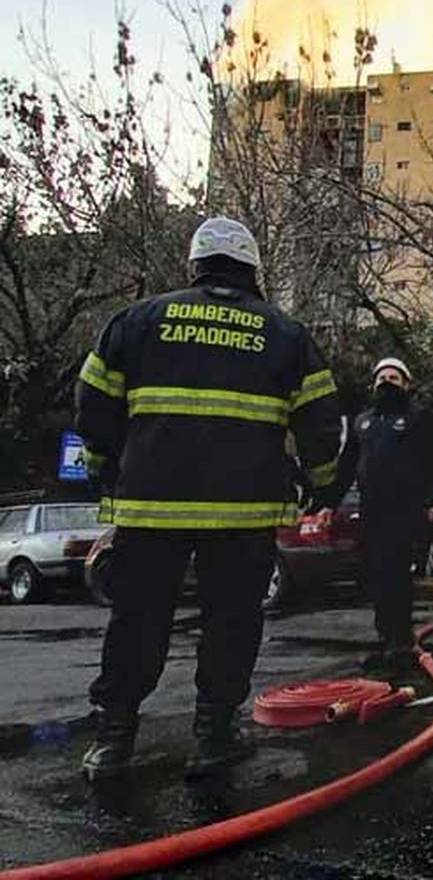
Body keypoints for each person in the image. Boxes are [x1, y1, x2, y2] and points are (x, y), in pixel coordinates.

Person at [74, 217, 343, 781]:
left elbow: (93, 403)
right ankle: (214, 737)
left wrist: (106, 467)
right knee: (231, 621)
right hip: (241, 513)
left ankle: (114, 740)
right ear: (252, 270)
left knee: (138, 619)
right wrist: (322, 481)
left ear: (194, 265)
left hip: (151, 506)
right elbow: (321, 419)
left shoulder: (139, 321)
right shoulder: (284, 333)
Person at [341, 358, 433, 668]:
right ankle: (385, 637)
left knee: (397, 575)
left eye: (394, 377)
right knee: (375, 575)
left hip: (405, 510)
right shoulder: (363, 422)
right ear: (373, 384)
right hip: (371, 510)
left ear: (406, 384)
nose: (387, 382)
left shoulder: (418, 419)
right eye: (382, 377)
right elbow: (347, 466)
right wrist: (325, 500)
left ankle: (400, 640)